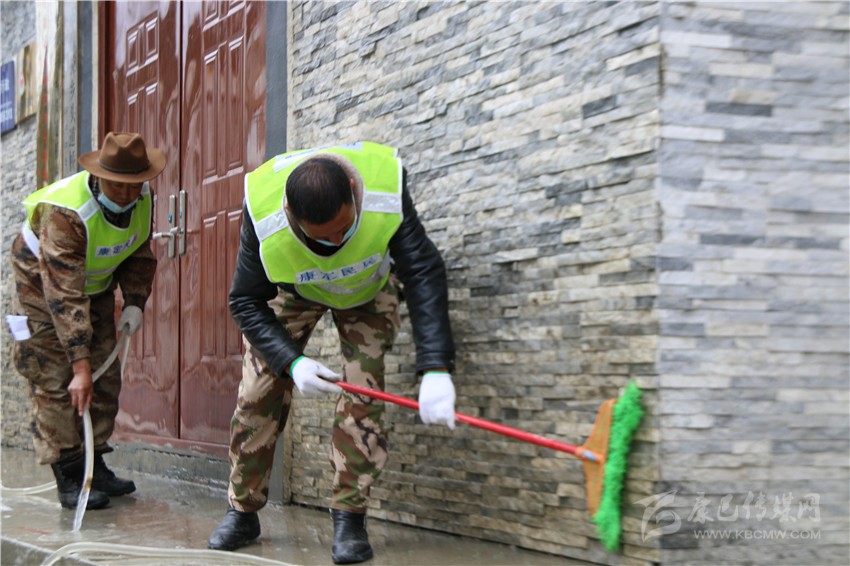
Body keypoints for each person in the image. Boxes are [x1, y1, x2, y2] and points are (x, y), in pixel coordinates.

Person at [208, 141, 456, 564]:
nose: (336, 242)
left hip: (367, 289)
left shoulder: (383, 187)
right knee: (256, 393)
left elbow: (421, 269)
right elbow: (246, 301)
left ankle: (349, 517)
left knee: (363, 392)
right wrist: (292, 362)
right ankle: (243, 511)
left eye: (344, 227)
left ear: (354, 191)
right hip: (295, 290)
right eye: (321, 236)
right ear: (290, 212)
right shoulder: (263, 212)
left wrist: (436, 366)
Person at [9, 131, 166, 510]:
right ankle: (68, 471)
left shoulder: (142, 200)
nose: (126, 194)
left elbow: (138, 252)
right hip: (43, 290)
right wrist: (79, 367)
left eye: (134, 185)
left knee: (104, 377)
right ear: (99, 176)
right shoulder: (65, 214)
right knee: (55, 379)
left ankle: (95, 464)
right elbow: (63, 296)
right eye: (117, 185)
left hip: (94, 285)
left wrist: (135, 301)